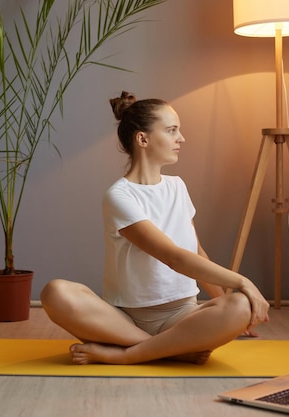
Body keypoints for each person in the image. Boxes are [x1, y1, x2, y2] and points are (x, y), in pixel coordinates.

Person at [41, 91, 270, 366]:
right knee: (55, 292)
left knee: (240, 306)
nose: (181, 138)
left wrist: (226, 306)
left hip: (182, 317)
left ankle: (133, 352)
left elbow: (195, 251)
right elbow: (174, 257)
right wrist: (243, 281)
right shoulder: (119, 196)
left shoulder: (177, 187)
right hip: (122, 321)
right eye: (172, 130)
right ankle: (162, 350)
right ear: (143, 139)